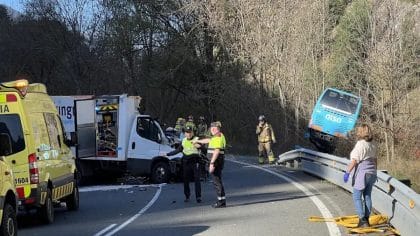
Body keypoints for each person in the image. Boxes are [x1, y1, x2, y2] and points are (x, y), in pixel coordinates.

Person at [343, 124, 377, 228]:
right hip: (372, 172)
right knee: (367, 196)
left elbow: (354, 161)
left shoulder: (360, 144)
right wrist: (375, 172)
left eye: (358, 131)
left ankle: (362, 219)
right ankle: (367, 219)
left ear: (361, 132)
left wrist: (347, 172)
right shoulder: (373, 144)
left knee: (357, 196)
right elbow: (375, 160)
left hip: (362, 173)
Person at [195, 121, 227, 208]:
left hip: (216, 162)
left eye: (213, 128)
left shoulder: (218, 137)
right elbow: (208, 140)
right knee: (217, 180)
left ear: (217, 129)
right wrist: (198, 141)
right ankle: (222, 200)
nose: (211, 130)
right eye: (211, 128)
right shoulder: (218, 136)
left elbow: (216, 151)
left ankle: (221, 202)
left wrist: (212, 163)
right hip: (217, 161)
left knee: (216, 181)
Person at [166, 126, 202, 203]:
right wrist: (167, 154)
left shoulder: (196, 139)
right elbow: (178, 150)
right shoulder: (184, 141)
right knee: (185, 179)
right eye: (187, 132)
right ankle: (187, 196)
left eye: (189, 132)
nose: (188, 134)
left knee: (197, 179)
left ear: (192, 132)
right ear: (185, 133)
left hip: (195, 161)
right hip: (186, 162)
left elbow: (201, 147)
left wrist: (198, 145)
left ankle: (198, 197)